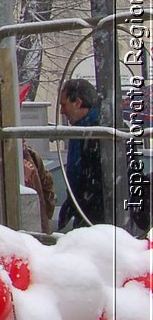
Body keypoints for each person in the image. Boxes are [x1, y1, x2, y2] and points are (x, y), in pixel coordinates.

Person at [56, 78, 104, 231]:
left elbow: (89, 179)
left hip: (97, 216)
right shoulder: (82, 131)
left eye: (64, 105)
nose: (62, 111)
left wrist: (77, 202)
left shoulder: (99, 131)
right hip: (89, 214)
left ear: (77, 102)